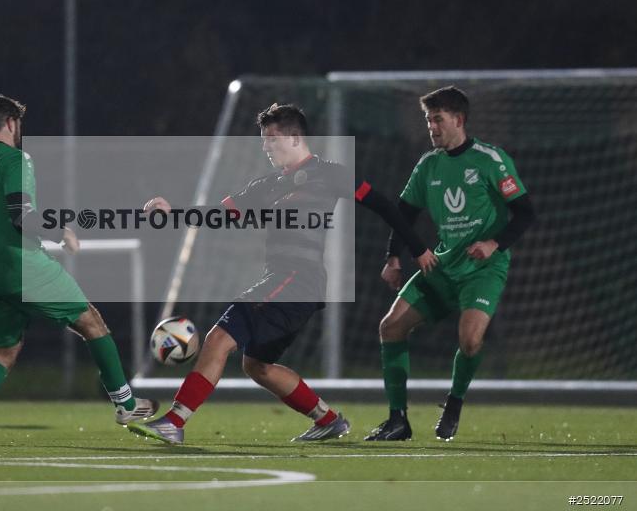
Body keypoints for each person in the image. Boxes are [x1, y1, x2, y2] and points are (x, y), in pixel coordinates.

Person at [129, 103, 437, 445]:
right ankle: (328, 420)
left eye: (272, 139)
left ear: (294, 138)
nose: (265, 147)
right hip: (286, 282)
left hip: (297, 280)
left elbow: (385, 206)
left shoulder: (330, 173)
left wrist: (415, 250)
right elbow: (217, 214)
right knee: (256, 365)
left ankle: (174, 421)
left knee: (219, 337)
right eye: (263, 140)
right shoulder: (268, 185)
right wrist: (172, 214)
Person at [0, 94, 158, 446]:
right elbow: (21, 215)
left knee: (3, 351)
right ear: (12, 124)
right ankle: (125, 404)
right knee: (91, 321)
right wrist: (60, 229)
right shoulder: (16, 159)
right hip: (21, 263)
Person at [365, 86, 536, 442]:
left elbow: (525, 213)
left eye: (437, 119)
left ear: (459, 120)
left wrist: (493, 243)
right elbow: (403, 216)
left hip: (483, 270)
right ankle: (398, 420)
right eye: (428, 119)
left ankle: (454, 402)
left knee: (471, 340)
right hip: (442, 267)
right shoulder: (428, 165)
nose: (431, 126)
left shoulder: (490, 159)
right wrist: (393, 257)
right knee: (391, 327)